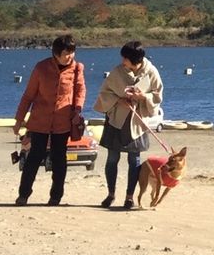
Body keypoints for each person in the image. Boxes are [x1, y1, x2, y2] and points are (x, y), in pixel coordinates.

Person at [12, 34, 86, 206]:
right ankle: (23, 194)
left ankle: (56, 196)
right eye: (66, 53)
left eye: (72, 52)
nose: (70, 56)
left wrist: (77, 110)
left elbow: (80, 92)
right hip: (40, 120)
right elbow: (28, 96)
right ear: (56, 53)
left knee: (59, 159)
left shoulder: (77, 68)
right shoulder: (41, 68)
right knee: (34, 158)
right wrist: (19, 120)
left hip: (63, 122)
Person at [94, 41, 164, 211]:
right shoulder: (117, 72)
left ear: (134, 60)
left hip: (137, 122)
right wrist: (119, 100)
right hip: (117, 119)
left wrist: (143, 97)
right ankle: (111, 194)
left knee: (135, 160)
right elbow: (104, 93)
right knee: (112, 159)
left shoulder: (151, 72)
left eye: (125, 58)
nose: (122, 61)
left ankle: (130, 197)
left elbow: (157, 95)